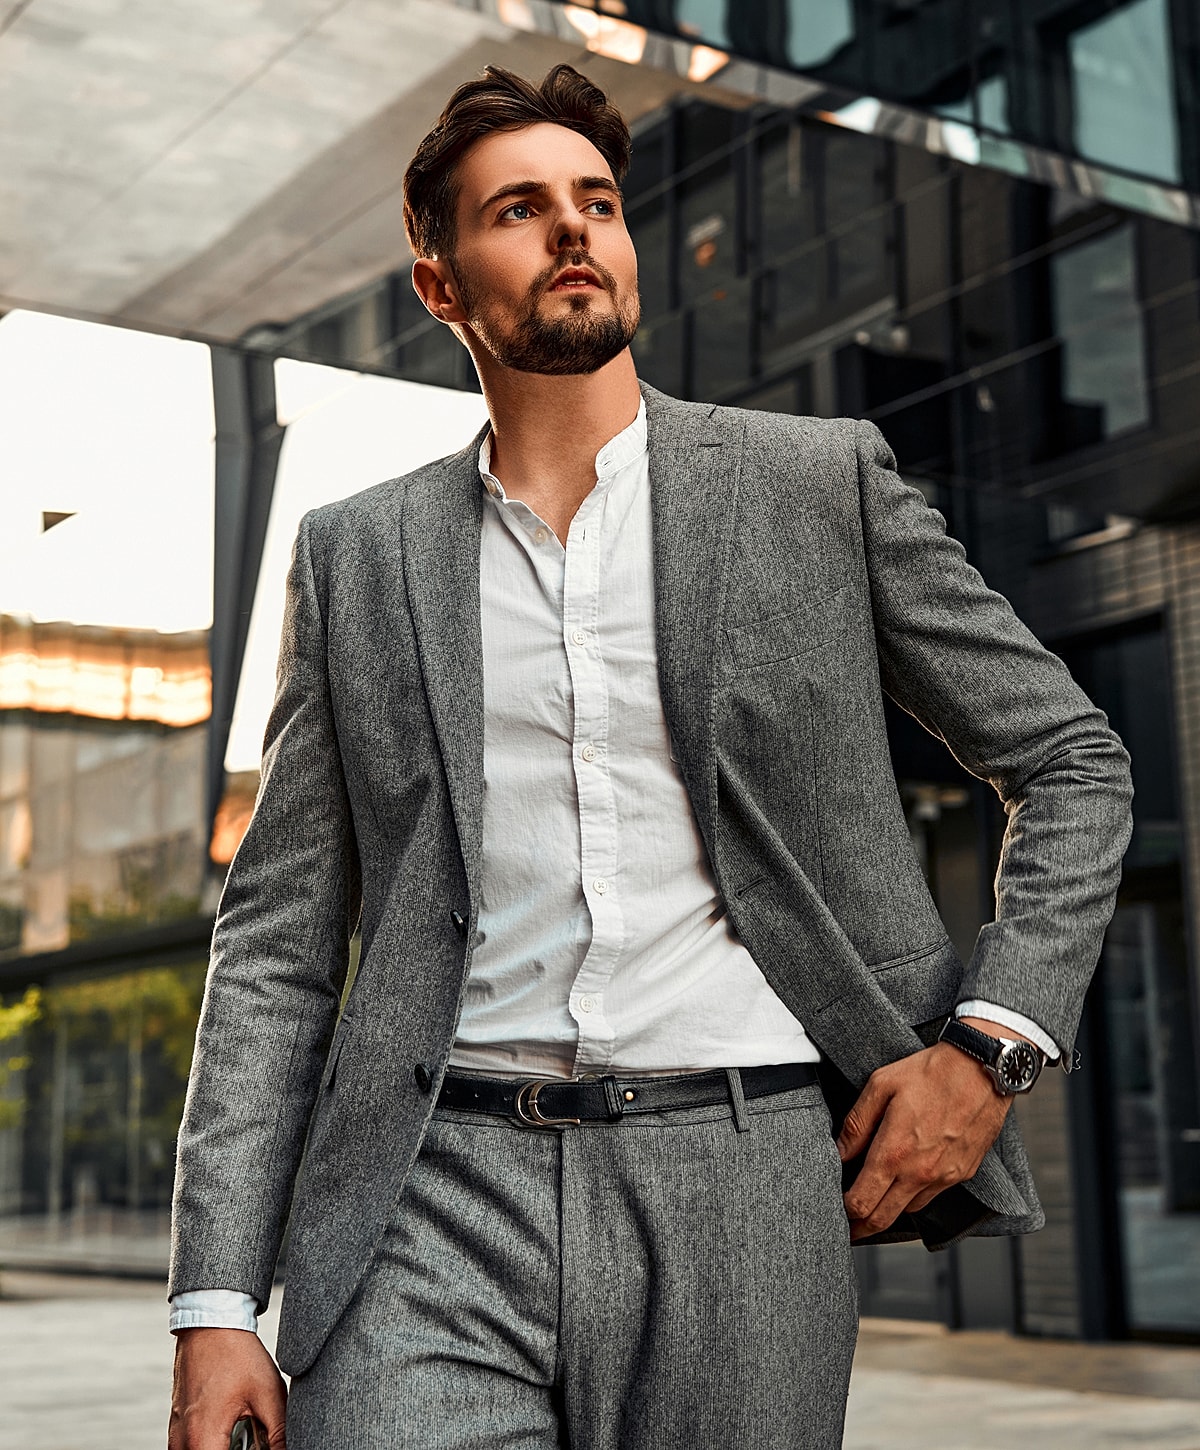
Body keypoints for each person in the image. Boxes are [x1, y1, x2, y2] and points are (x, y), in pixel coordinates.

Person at [167, 64, 1132, 1450]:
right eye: (519, 209)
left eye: (599, 201)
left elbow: (1073, 758)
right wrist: (214, 1302)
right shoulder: (357, 556)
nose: (574, 227)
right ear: (440, 285)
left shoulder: (816, 485)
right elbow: (277, 943)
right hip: (430, 1192)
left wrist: (991, 1049)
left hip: (743, 1177)